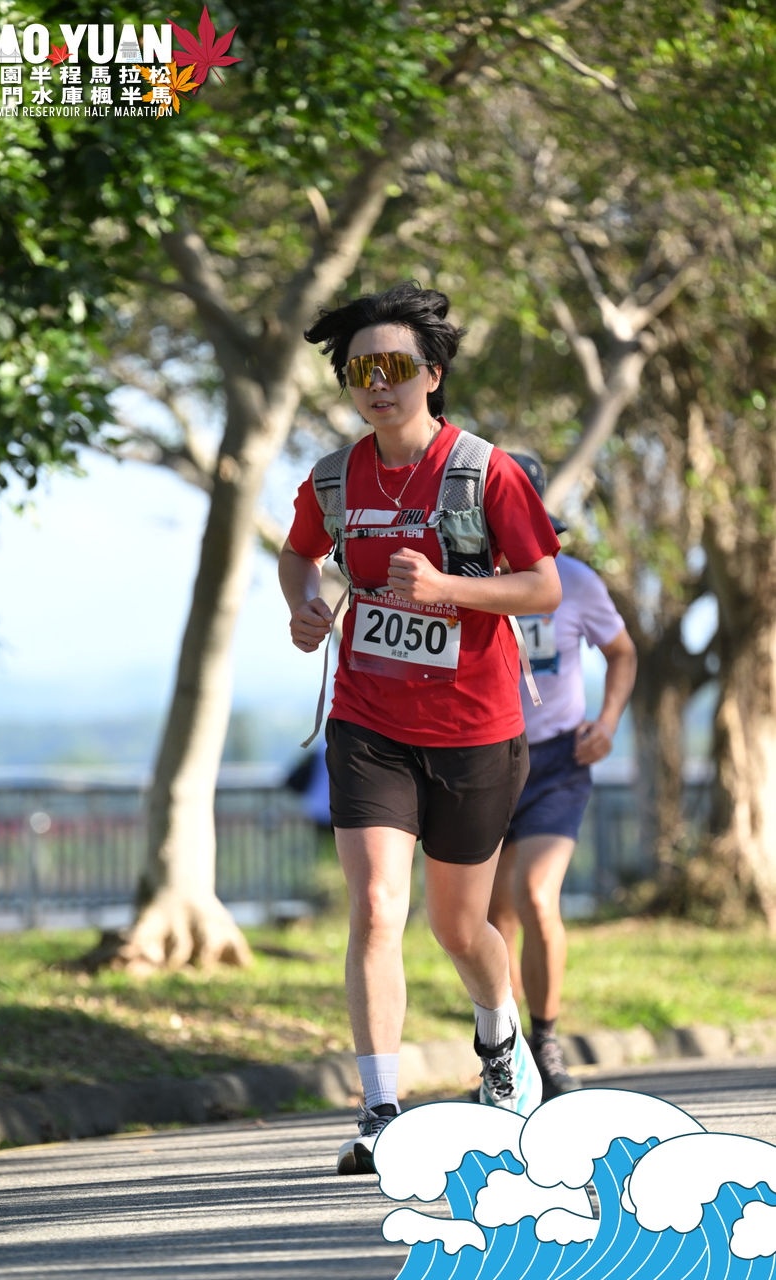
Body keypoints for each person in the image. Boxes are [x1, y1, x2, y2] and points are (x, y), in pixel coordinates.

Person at [278, 281, 562, 1174]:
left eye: (395, 367)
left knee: (458, 927)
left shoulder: (483, 471)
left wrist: (445, 590)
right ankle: (379, 1111)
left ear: (431, 375)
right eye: (361, 369)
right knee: (373, 907)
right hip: (368, 721)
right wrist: (304, 606)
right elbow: (298, 554)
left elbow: (542, 586)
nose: (378, 384)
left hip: (476, 728)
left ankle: (500, 1044)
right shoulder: (335, 478)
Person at [488, 451, 637, 1101]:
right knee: (489, 917)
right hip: (483, 761)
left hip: (556, 764)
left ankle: (545, 1042)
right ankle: (504, 1053)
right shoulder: (463, 583)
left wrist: (607, 721)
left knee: (535, 895)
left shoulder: (574, 581)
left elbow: (621, 652)